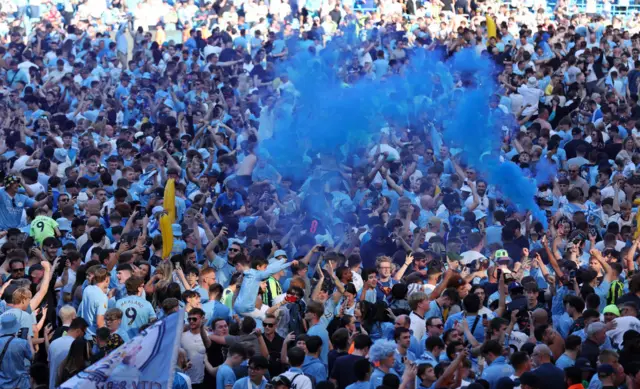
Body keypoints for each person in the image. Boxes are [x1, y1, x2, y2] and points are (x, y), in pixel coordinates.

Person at [48, 317, 88, 389]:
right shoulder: (76, 346)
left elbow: (49, 364)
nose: (84, 335)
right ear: (78, 331)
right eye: (84, 333)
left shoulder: (53, 343)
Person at [0, 312, 32, 389]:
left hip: (2, 384)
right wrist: (29, 341)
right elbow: (32, 357)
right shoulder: (22, 342)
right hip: (21, 384)